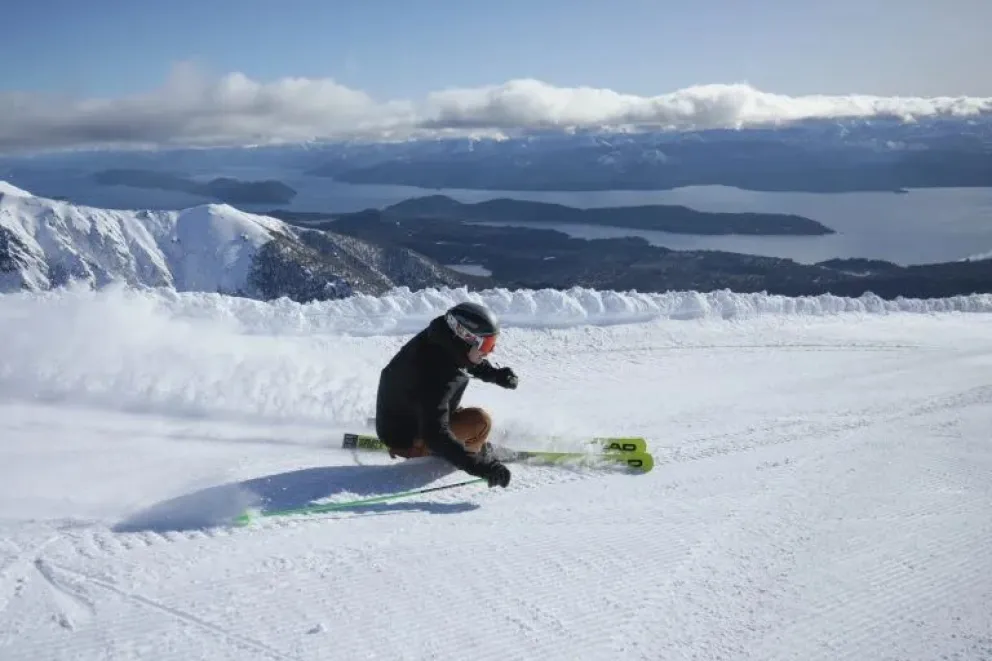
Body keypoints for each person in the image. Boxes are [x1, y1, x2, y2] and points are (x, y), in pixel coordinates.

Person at [374, 301, 517, 488]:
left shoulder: (443, 341)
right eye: (487, 344)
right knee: (480, 422)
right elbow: (435, 435)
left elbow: (467, 360)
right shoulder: (435, 372)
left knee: (457, 414)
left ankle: (457, 446)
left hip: (406, 420)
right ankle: (472, 451)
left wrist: (496, 375)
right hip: (411, 438)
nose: (490, 351)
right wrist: (483, 466)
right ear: (467, 338)